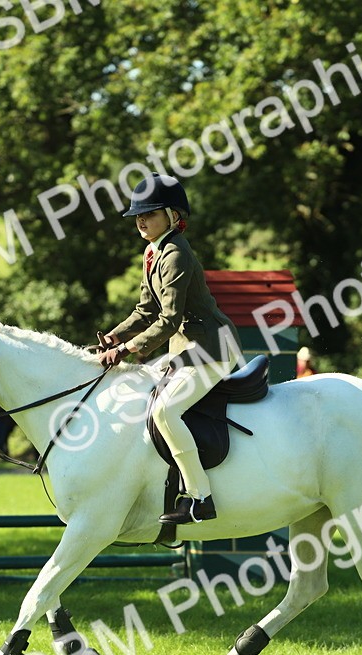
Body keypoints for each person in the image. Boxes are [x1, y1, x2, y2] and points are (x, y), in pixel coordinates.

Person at [101, 173, 241, 525]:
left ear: (173, 216)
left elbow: (168, 318)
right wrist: (115, 337)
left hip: (212, 348)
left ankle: (200, 497)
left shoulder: (176, 254)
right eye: (138, 215)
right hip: (187, 349)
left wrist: (127, 349)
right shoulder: (153, 251)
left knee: (165, 411)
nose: (140, 221)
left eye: (149, 214)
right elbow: (145, 310)